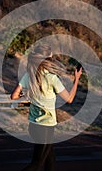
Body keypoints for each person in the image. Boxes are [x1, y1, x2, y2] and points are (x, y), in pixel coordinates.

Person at [10, 43, 82, 171]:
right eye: (51, 57)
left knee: (50, 159)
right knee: (36, 164)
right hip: (46, 127)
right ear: (47, 60)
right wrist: (76, 79)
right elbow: (69, 99)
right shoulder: (52, 78)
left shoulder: (29, 75)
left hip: (33, 125)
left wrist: (26, 93)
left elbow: (14, 96)